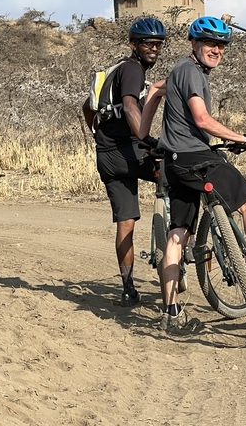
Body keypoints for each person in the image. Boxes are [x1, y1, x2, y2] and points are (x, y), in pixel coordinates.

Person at [139, 16, 246, 332]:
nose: (217, 49)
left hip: (174, 162)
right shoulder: (193, 73)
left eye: (221, 44)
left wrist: (145, 136)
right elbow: (202, 119)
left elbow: (155, 90)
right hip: (198, 158)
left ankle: (171, 312)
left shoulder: (179, 71)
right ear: (194, 44)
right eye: (210, 43)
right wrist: (242, 138)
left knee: (177, 234)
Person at [82, 18, 166, 307]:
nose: (154, 49)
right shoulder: (132, 70)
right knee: (179, 174)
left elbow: (86, 107)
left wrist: (99, 134)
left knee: (125, 222)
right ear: (134, 45)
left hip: (106, 157)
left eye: (158, 44)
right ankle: (182, 241)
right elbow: (130, 105)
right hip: (131, 153)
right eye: (148, 43)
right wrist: (148, 139)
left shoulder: (114, 70)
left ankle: (128, 288)